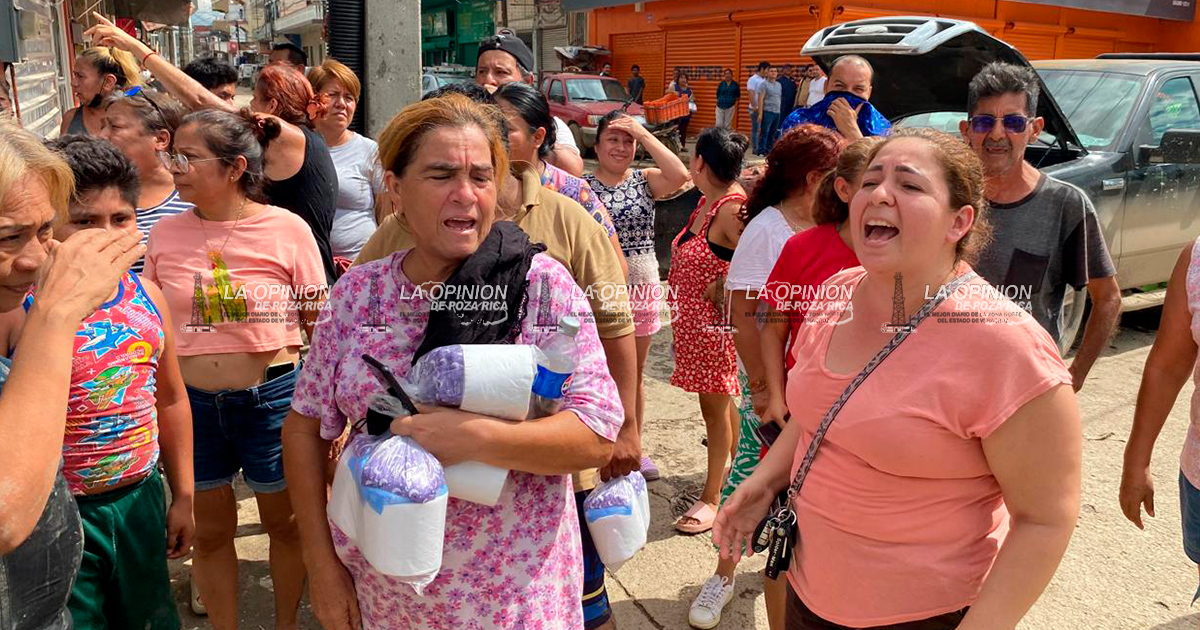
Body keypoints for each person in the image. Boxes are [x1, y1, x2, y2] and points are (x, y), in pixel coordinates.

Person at [714, 127, 1082, 630]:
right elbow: (821, 413)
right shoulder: (834, 294)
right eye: (870, 181)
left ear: (959, 221)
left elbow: (1045, 519)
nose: (879, 194)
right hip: (805, 590)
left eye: (909, 186)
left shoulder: (1005, 346)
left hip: (922, 614)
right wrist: (761, 483)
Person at [283, 93, 623, 630]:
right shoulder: (359, 294)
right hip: (387, 593)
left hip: (515, 598)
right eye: (441, 175)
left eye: (481, 177)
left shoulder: (541, 286)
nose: (466, 195)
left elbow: (598, 434)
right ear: (394, 187)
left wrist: (473, 437)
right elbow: (304, 428)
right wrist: (320, 565)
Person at [142, 108, 326, 630]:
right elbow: (152, 324)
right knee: (213, 533)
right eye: (171, 153)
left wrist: (331, 416)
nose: (173, 164)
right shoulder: (166, 234)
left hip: (274, 403)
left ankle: (285, 624)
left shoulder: (287, 229)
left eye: (188, 156)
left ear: (235, 167)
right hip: (191, 407)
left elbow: (321, 325)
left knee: (285, 526)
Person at [688, 124, 843, 630]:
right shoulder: (769, 228)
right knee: (753, 477)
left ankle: (790, 576)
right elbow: (749, 314)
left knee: (802, 491)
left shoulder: (831, 228)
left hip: (818, 387)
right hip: (772, 389)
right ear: (814, 176)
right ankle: (724, 575)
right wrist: (760, 390)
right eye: (837, 175)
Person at [37, 134, 193, 630]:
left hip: (139, 497)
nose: (107, 236)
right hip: (57, 514)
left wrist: (183, 494)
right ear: (49, 227)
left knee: (149, 618)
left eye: (121, 220)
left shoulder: (146, 294)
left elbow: (169, 398)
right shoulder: (27, 308)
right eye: (83, 222)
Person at [0, 117, 144, 630]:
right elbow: (7, 512)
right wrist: (56, 314)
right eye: (9, 237)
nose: (36, 258)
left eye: (43, 230)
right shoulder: (35, 313)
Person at [86, 12, 341, 284]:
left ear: (273, 108)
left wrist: (136, 48)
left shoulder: (287, 139)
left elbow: (199, 99)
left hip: (300, 291)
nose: (247, 107)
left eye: (254, 100)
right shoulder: (304, 143)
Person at [961, 61, 1120, 389]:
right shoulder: (946, 199)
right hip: (949, 382)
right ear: (966, 130)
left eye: (1014, 122)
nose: (997, 134)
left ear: (1034, 129)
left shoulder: (1065, 205)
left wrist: (1074, 376)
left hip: (1027, 390)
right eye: (984, 122)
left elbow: (1108, 298)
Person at [585, 109, 691, 481]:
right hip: (597, 284)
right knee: (593, 368)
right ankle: (593, 443)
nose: (620, 146)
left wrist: (643, 134)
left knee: (633, 373)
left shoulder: (645, 180)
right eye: (612, 139)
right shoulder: (580, 186)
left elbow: (680, 175)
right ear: (596, 145)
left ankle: (634, 445)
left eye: (626, 140)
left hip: (642, 284)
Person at [669, 127, 750, 536]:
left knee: (713, 411)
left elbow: (759, 260)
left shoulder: (733, 209)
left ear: (699, 161)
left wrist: (724, 284)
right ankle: (741, 464)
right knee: (721, 404)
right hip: (694, 329)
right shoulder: (706, 202)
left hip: (716, 331)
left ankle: (713, 497)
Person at [760, 137, 881, 409]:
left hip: (874, 408)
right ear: (843, 189)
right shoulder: (802, 248)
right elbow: (772, 328)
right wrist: (776, 397)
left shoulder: (909, 256)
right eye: (871, 184)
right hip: (803, 403)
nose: (884, 195)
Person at [492, 81, 627, 277]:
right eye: (489, 125)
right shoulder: (479, 189)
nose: (493, 136)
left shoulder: (573, 192)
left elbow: (615, 269)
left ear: (537, 137)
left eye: (505, 129)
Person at [97, 87, 192, 272]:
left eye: (114, 127)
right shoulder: (93, 191)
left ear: (161, 139)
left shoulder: (192, 197)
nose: (102, 135)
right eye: (102, 126)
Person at [475, 32, 584, 176]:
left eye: (501, 72)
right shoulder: (466, 119)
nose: (488, 80)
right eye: (482, 71)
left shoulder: (550, 124)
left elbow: (572, 169)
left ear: (527, 81)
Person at [306, 59, 381, 265]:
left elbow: (386, 214)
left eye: (349, 97)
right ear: (312, 99)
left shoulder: (370, 151)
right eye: (332, 95)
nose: (341, 104)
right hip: (310, 268)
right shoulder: (296, 148)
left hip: (361, 267)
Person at [782, 55, 889, 142]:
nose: (847, 95)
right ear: (826, 86)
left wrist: (852, 132)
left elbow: (878, 166)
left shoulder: (882, 128)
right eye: (839, 86)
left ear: (869, 92)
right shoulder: (800, 120)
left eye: (858, 89)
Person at [60, 47, 142, 137]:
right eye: (75, 75)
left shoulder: (138, 120)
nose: (73, 83)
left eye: (80, 76)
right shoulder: (70, 118)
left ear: (108, 82)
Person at [755, 67, 782, 156]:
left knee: (773, 132)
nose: (773, 73)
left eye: (775, 71)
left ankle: (769, 150)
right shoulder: (764, 84)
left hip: (777, 112)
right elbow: (760, 99)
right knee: (765, 132)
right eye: (771, 71)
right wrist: (760, 113)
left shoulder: (779, 85)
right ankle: (761, 150)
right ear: (767, 73)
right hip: (767, 111)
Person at [747, 61, 769, 150]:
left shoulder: (765, 80)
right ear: (762, 69)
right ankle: (755, 148)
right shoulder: (753, 79)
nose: (767, 72)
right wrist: (755, 107)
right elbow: (751, 93)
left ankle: (760, 147)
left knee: (762, 129)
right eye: (767, 70)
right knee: (756, 129)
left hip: (764, 108)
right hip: (755, 109)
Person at [674, 73, 695, 147]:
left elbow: (693, 99)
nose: (683, 79)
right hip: (676, 113)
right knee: (675, 130)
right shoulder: (675, 88)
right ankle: (675, 146)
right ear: (678, 79)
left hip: (686, 114)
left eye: (684, 78)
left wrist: (690, 99)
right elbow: (668, 93)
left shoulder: (689, 90)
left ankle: (683, 146)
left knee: (683, 130)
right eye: (681, 78)